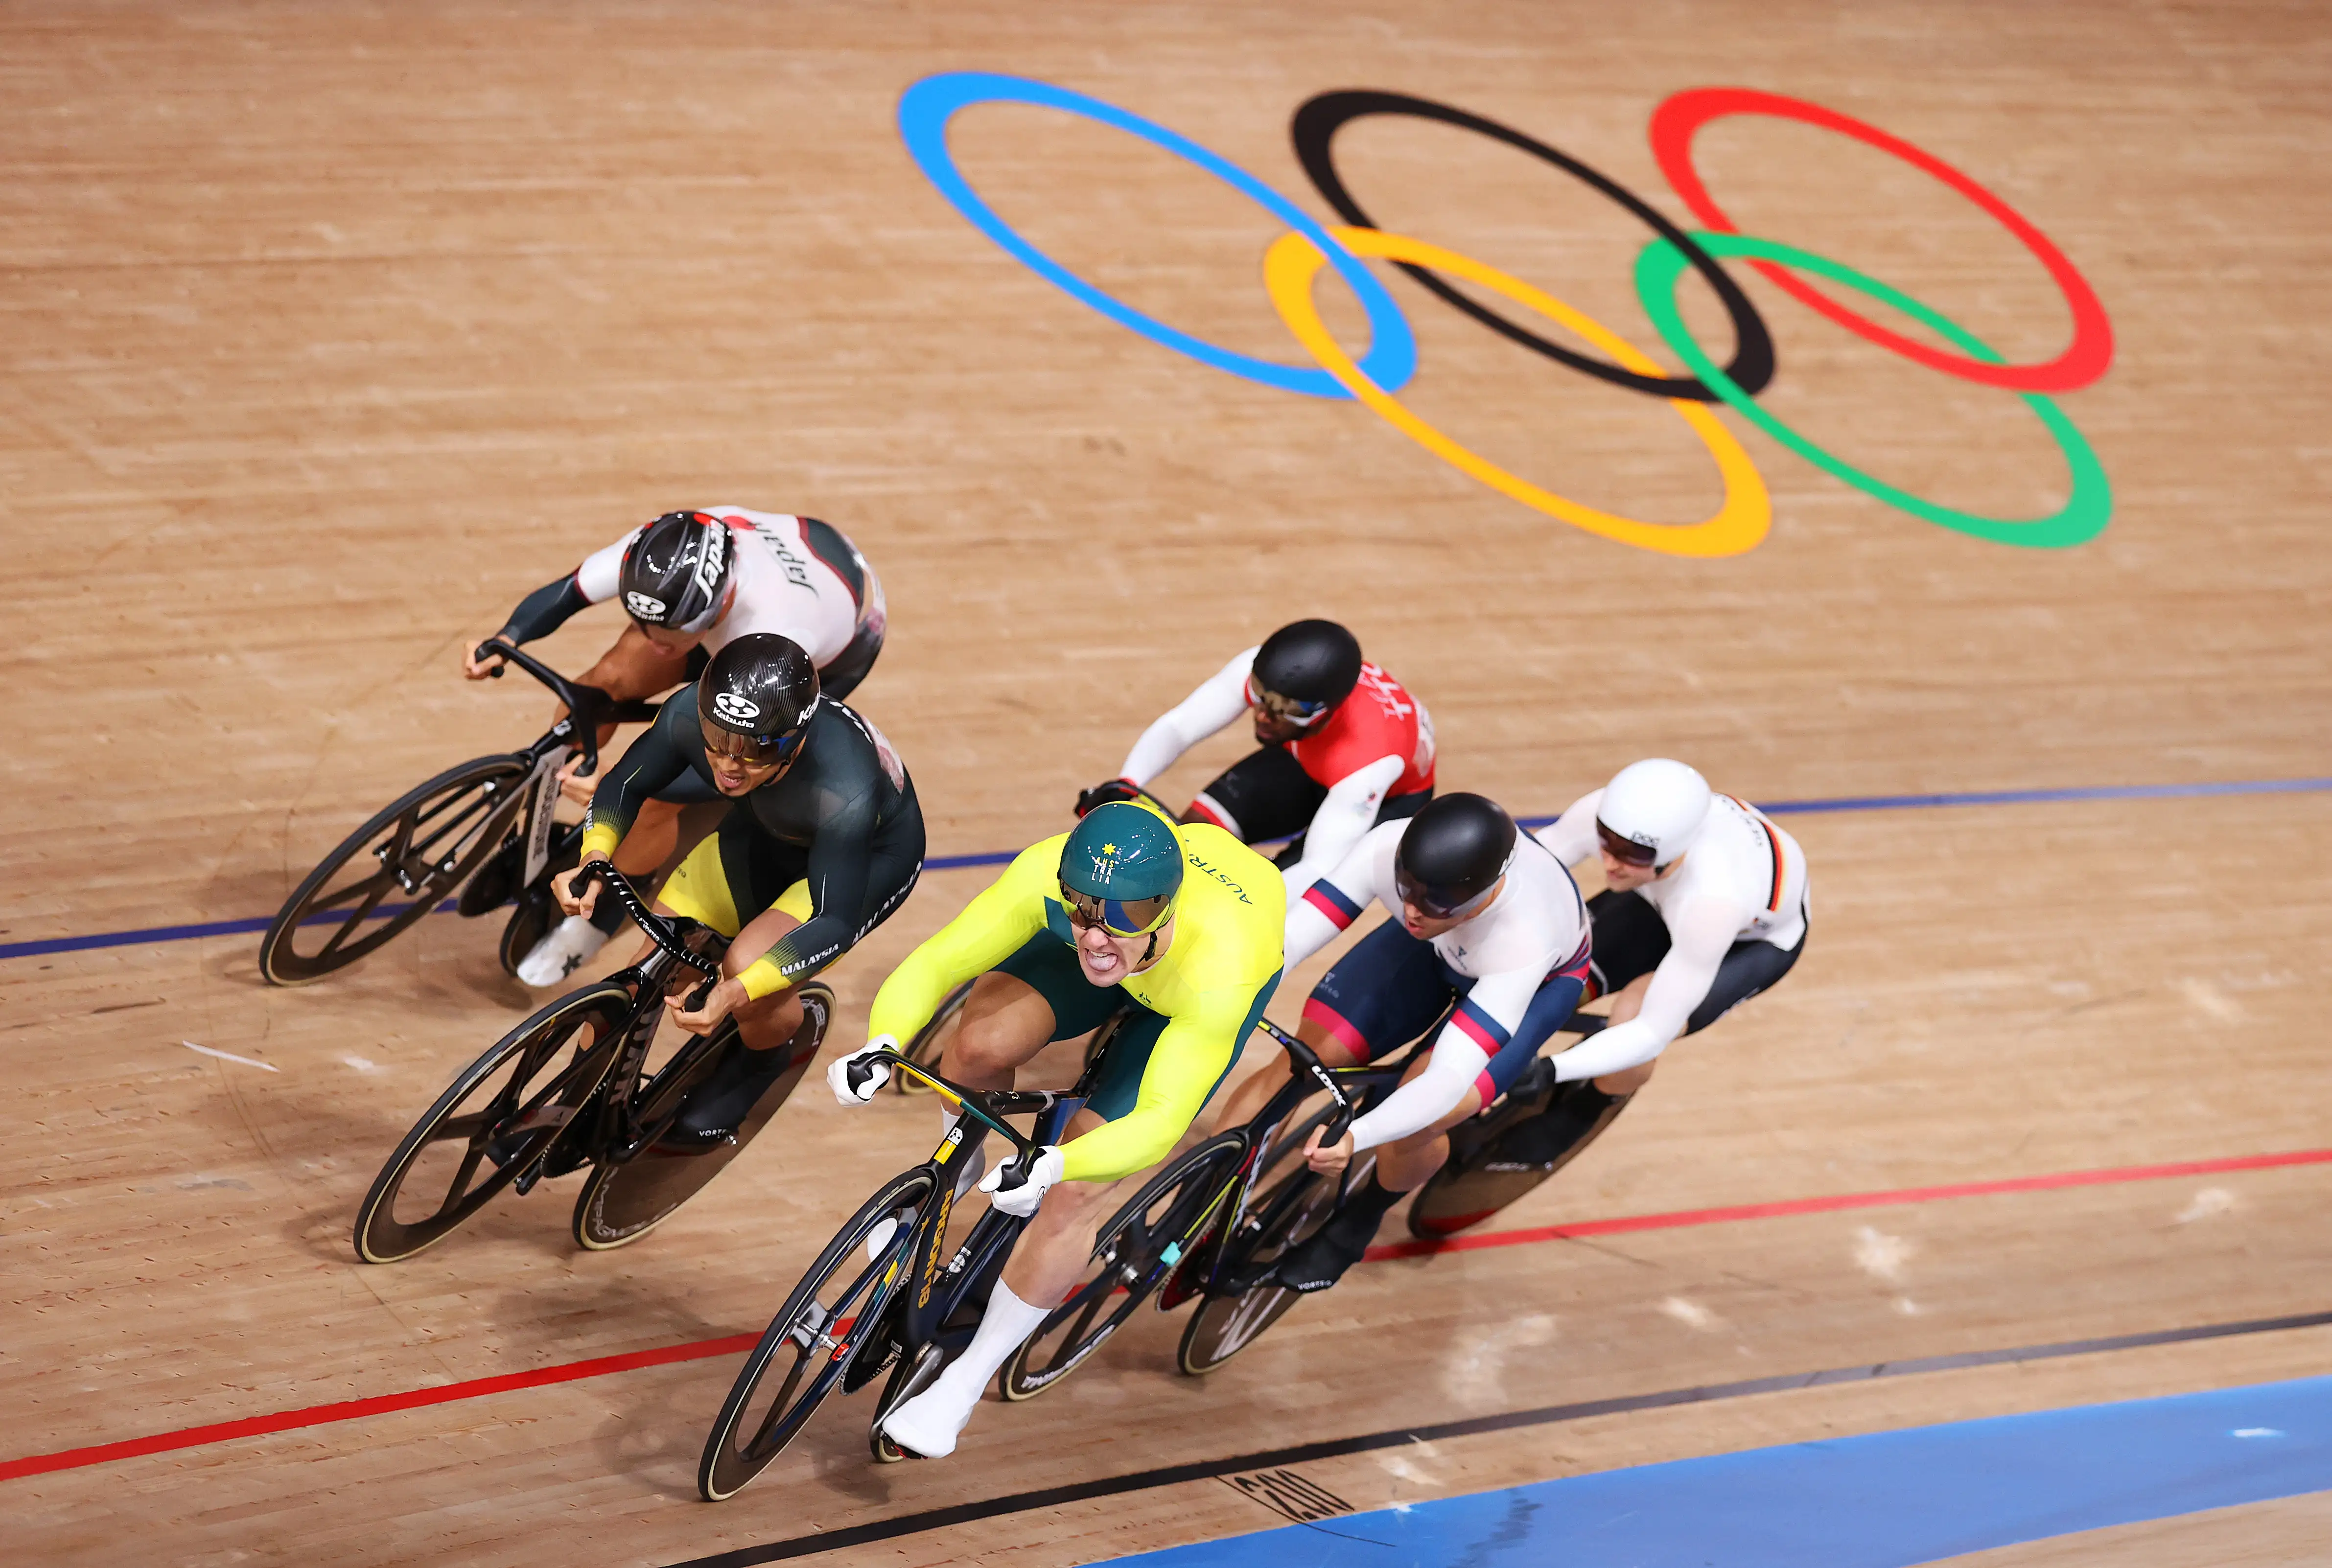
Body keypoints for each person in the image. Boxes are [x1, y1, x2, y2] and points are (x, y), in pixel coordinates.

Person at [823, 800, 1284, 1459]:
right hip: (1151, 947)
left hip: (1183, 989)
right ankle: (955, 1177)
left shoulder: (1225, 964)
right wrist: (883, 1043)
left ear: (1166, 908)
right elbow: (937, 962)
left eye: (1125, 918)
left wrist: (1058, 1166)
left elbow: (1160, 1123)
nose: (1097, 936)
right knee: (978, 1046)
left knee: (1073, 1196)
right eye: (1081, 909)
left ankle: (966, 1379)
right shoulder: (1053, 880)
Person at [466, 507, 889, 983]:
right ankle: (558, 783)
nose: (661, 645)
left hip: (818, 648)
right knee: (608, 680)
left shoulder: (780, 627)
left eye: (676, 634)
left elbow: (718, 769)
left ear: (723, 600)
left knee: (656, 799)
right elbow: (570, 591)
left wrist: (625, 784)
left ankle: (609, 904)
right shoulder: (662, 554)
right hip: (779, 575)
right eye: (649, 626)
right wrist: (508, 637)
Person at [1208, 793, 1592, 1293]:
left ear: (1483, 892)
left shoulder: (1523, 939)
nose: (1411, 909)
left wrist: (1357, 1137)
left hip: (1535, 983)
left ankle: (1355, 1225)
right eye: (1406, 888)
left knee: (1417, 1119)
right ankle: (1204, 1208)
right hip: (1440, 945)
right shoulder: (1389, 853)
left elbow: (1447, 1076)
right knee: (1302, 1062)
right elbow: (1292, 938)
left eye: (1431, 901)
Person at [555, 633, 923, 1143]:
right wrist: (594, 856)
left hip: (867, 858)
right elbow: (625, 784)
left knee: (749, 971)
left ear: (794, 741)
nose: (728, 765)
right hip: (770, 826)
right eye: (718, 740)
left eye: (752, 751)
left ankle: (761, 1061)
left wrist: (735, 993)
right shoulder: (694, 713)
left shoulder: (845, 787)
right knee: (645, 971)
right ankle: (566, 1110)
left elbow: (833, 920)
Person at [1505, 758, 1810, 1174]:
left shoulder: (1713, 902)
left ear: (1674, 852)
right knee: (1546, 979)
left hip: (1749, 943)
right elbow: (1522, 878)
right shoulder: (1608, 819)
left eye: (1632, 853)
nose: (1611, 862)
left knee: (1632, 1017)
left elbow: (1650, 1032)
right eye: (1607, 841)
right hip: (1655, 898)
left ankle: (1583, 1112)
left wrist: (1551, 1069)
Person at [1073, 620, 1434, 895]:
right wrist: (1129, 781)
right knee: (1188, 838)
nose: (1263, 714)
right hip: (1306, 753)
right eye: (1261, 696)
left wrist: (1247, 902)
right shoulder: (1273, 680)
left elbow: (1316, 868)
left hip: (1384, 799)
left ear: (1327, 710)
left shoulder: (1369, 762)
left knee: (1279, 902)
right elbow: (1181, 727)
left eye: (1284, 709)